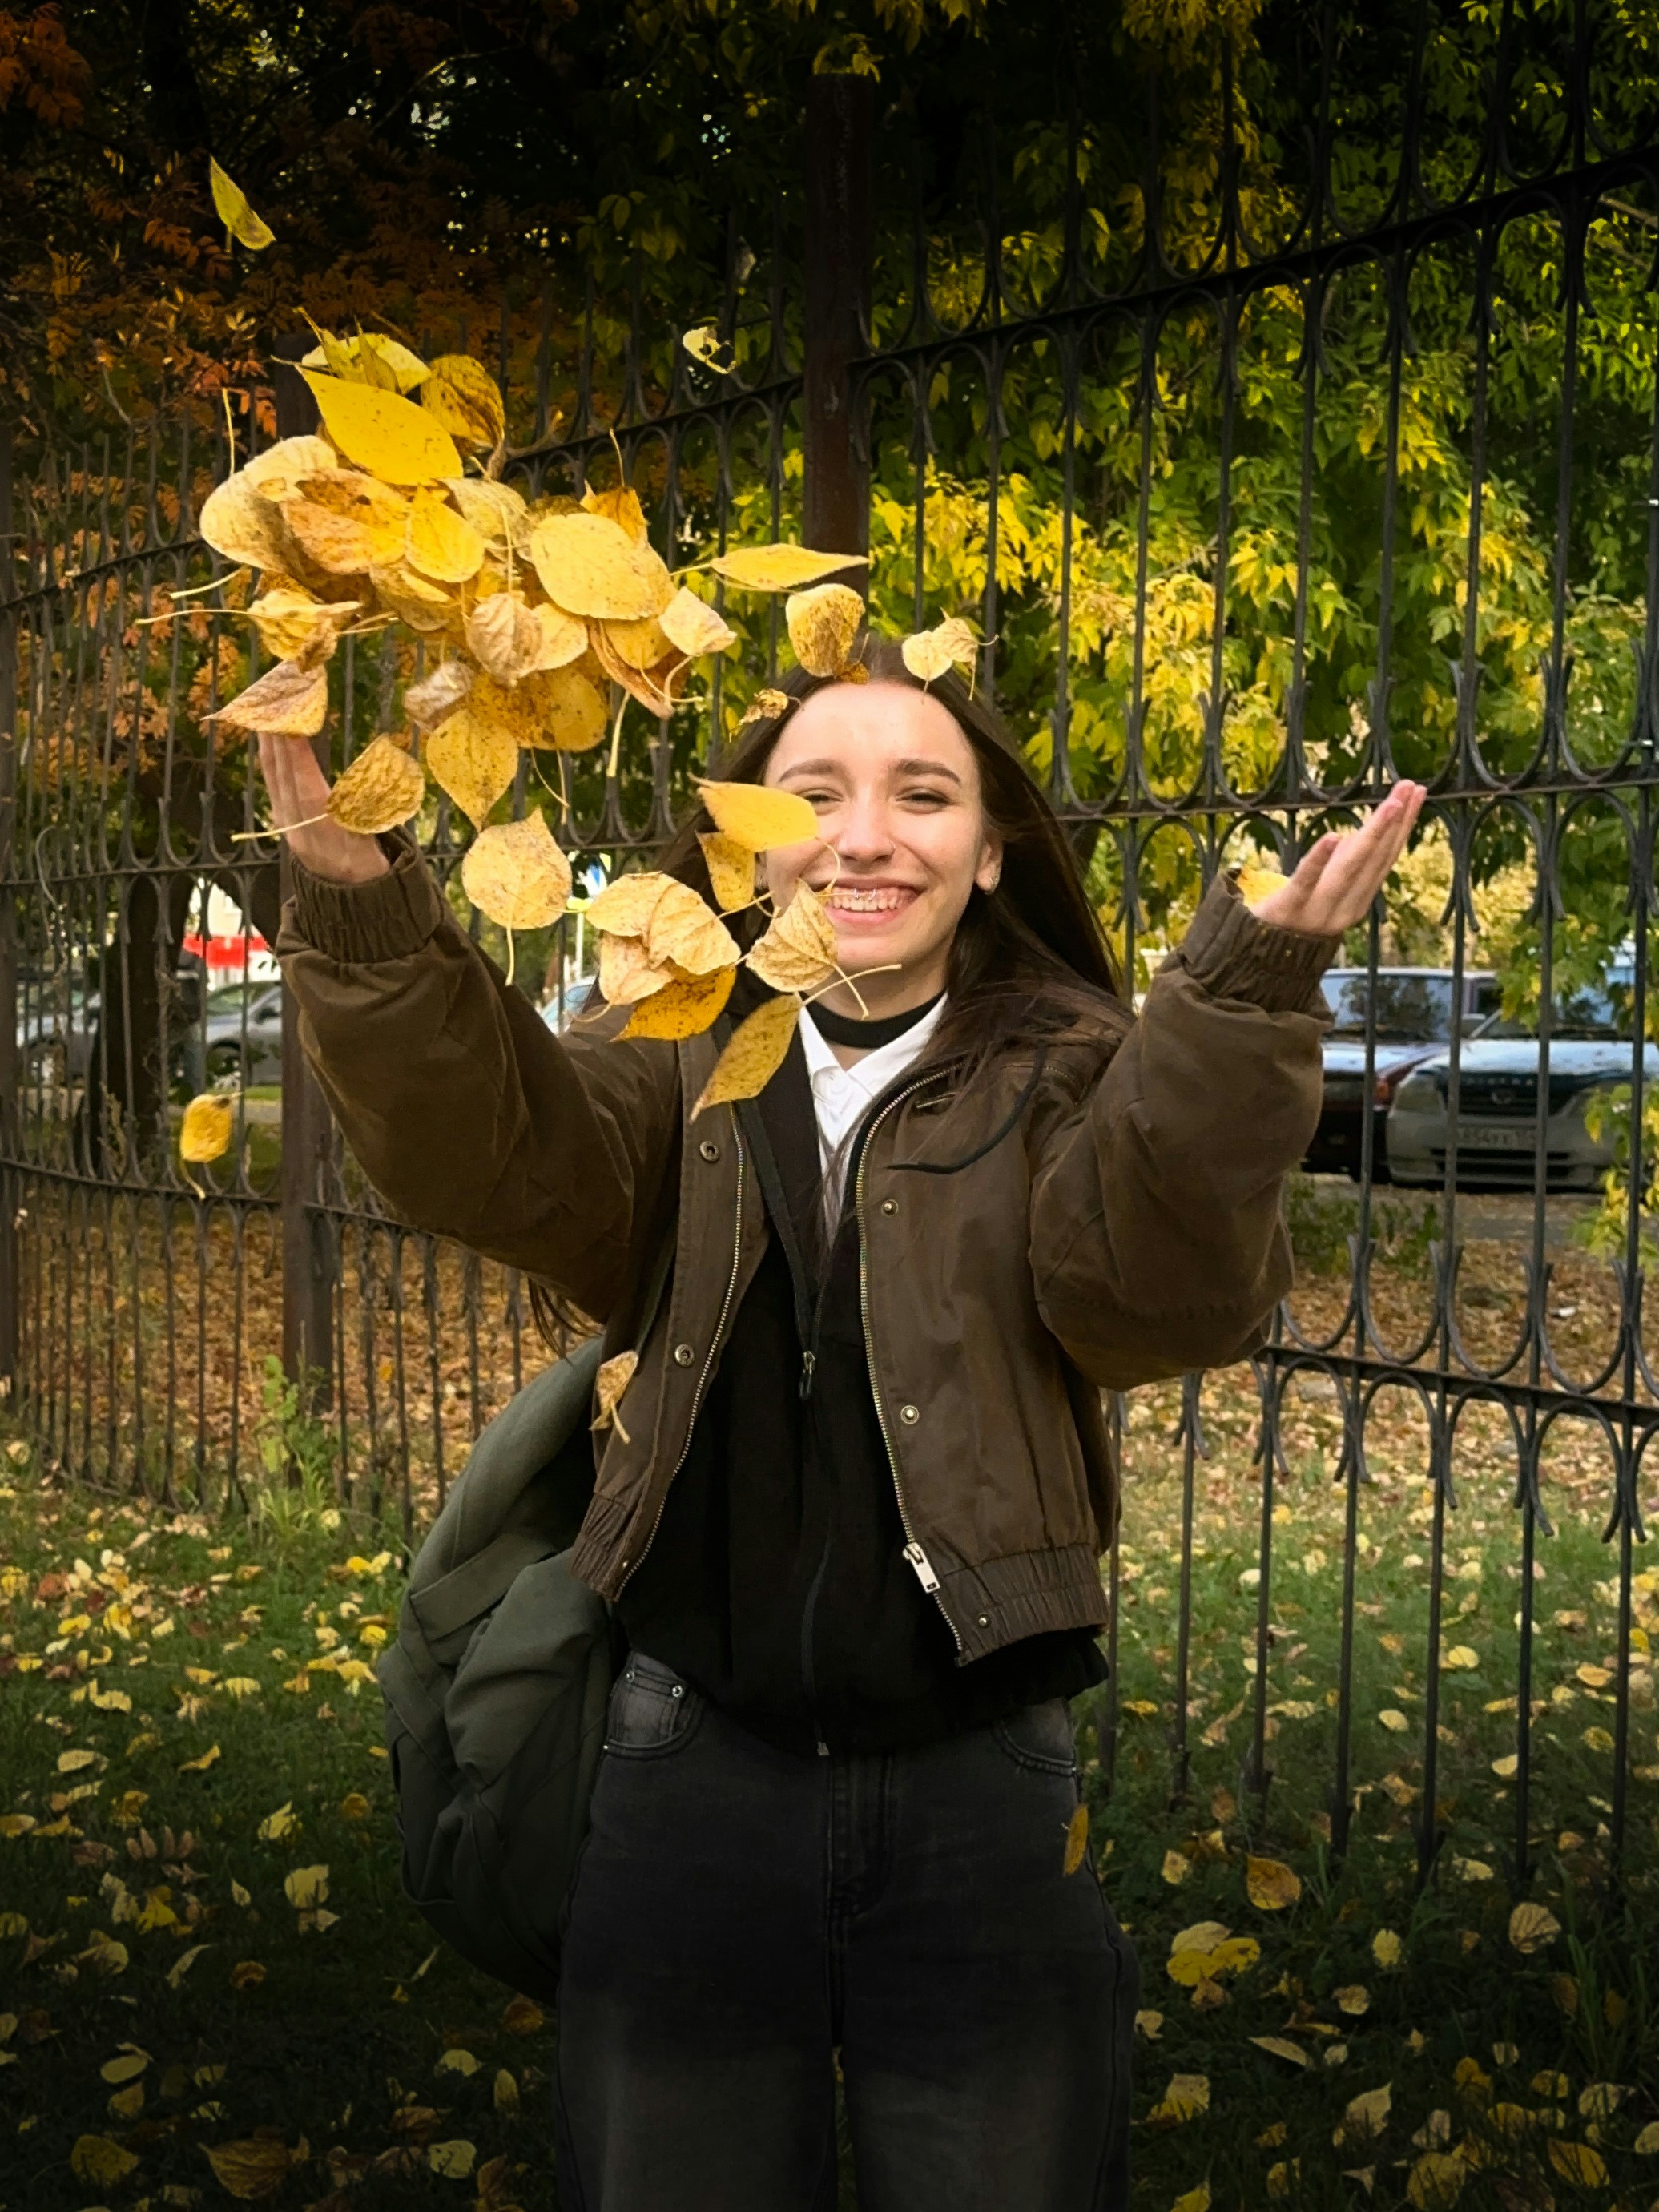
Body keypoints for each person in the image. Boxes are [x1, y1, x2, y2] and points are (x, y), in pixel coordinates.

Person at [264, 637, 1423, 2212]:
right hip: (687, 1756)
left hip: (983, 1777)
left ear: (990, 848)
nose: (865, 836)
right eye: (812, 794)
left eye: (923, 794)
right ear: (747, 842)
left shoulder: (1070, 1068)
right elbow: (503, 1152)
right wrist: (367, 921)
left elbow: (1146, 1301)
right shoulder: (670, 1042)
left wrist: (1234, 1012)